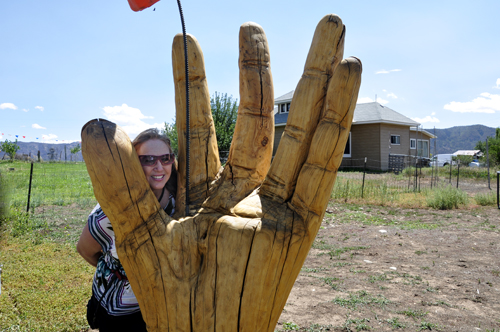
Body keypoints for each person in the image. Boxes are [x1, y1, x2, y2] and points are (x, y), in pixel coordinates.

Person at [77, 128, 177, 331]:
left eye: (165, 158)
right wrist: (122, 270)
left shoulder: (179, 201)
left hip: (162, 306)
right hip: (119, 311)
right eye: (148, 159)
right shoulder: (110, 211)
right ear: (133, 164)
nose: (159, 167)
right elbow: (85, 250)